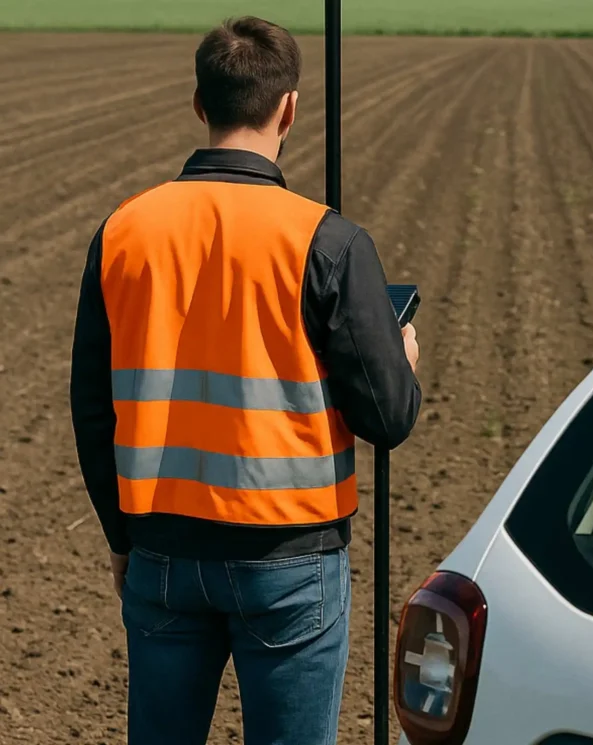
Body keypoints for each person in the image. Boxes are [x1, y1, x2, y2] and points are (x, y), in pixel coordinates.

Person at [68, 16, 421, 745]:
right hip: (291, 565)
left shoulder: (123, 232)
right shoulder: (328, 240)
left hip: (160, 553)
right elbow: (387, 416)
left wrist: (120, 536)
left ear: (200, 104)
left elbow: (91, 407)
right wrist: (403, 360)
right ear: (289, 108)